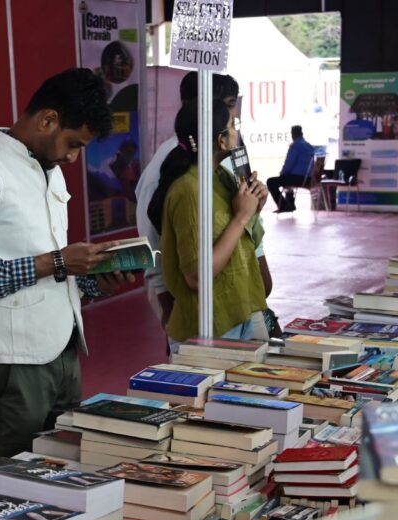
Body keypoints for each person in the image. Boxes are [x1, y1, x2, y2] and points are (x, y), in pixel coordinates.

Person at [0, 68, 132, 458]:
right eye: (73, 144)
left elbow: (53, 267)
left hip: (64, 350)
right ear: (48, 120)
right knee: (11, 471)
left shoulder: (50, 169)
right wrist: (58, 261)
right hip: (12, 362)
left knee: (64, 466)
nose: (73, 156)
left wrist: (97, 280)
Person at [150, 100, 269, 348]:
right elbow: (196, 276)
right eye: (233, 125)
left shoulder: (222, 177)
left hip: (239, 313)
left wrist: (254, 206)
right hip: (208, 326)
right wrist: (241, 217)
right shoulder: (189, 190)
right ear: (221, 140)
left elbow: (240, 239)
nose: (237, 131)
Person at [134, 71, 240, 329]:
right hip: (187, 299)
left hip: (226, 296)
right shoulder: (175, 171)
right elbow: (151, 234)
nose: (232, 115)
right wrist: (165, 297)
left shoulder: (221, 162)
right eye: (226, 106)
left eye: (232, 106)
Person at [266, 124, 315, 212]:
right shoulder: (309, 146)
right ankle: (290, 205)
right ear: (301, 133)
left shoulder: (295, 146)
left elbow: (289, 164)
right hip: (310, 179)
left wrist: (282, 174)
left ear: (293, 134)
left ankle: (284, 206)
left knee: (271, 181)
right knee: (286, 178)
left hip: (299, 179)